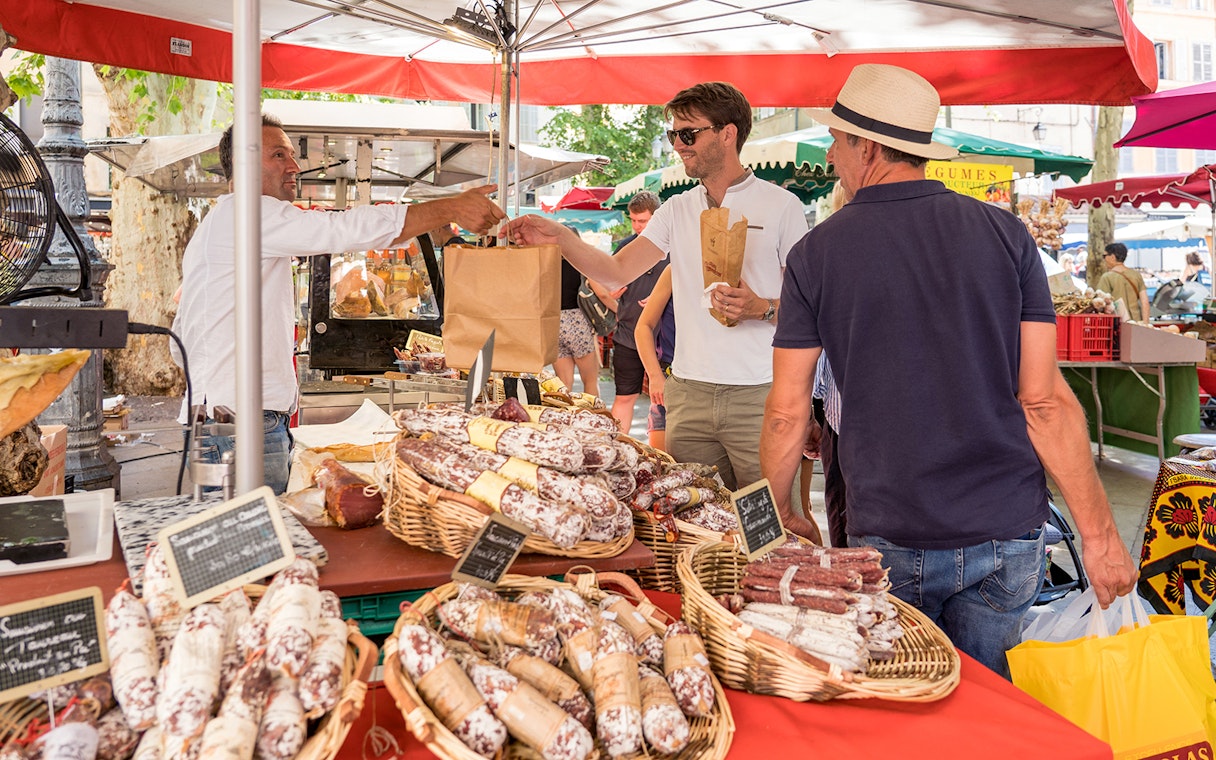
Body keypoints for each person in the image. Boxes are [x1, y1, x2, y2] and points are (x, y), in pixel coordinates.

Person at [759, 64, 1137, 678]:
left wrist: (783, 511)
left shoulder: (815, 254)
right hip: (1007, 531)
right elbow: (1042, 401)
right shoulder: (1007, 235)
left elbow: (786, 412)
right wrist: (1099, 538)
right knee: (991, 705)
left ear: (869, 146)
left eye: (837, 140)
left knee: (903, 705)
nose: (831, 154)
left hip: (889, 531)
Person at [173, 113, 504, 493]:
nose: (295, 166)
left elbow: (179, 337)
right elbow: (343, 229)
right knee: (251, 543)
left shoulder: (220, 222)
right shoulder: (248, 213)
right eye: (280, 155)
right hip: (242, 426)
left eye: (292, 155)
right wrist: (449, 208)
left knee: (238, 541)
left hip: (223, 419)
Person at [508, 82, 809, 493]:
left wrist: (763, 308)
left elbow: (810, 305)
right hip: (688, 395)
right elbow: (616, 273)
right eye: (673, 135)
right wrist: (562, 238)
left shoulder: (782, 206)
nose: (679, 145)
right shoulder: (676, 208)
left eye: (688, 134)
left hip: (759, 395)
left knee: (769, 524)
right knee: (695, 521)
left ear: (728, 133)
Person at [608, 191, 666, 433]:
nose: (637, 226)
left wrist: (662, 296)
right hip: (628, 336)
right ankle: (616, 449)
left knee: (664, 404)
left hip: (664, 340)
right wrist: (612, 290)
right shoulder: (625, 247)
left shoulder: (676, 247)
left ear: (658, 217)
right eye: (633, 220)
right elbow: (608, 285)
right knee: (624, 397)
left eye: (642, 221)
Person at [634, 267, 676, 451]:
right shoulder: (675, 270)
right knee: (662, 464)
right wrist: (655, 376)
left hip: (722, 387)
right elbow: (643, 326)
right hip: (670, 377)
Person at [554, 252, 601, 399]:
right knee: (590, 380)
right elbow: (602, 293)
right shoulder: (581, 264)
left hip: (553, 323)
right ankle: (593, 417)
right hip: (577, 323)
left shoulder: (547, 264)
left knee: (563, 383)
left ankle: (562, 418)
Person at [1095, 242, 1150, 321]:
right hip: (1136, 323)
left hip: (1118, 324)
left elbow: (1101, 304)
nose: (1104, 259)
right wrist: (1145, 323)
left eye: (1104, 256)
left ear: (1112, 257)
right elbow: (1145, 302)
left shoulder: (1107, 277)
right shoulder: (1136, 275)